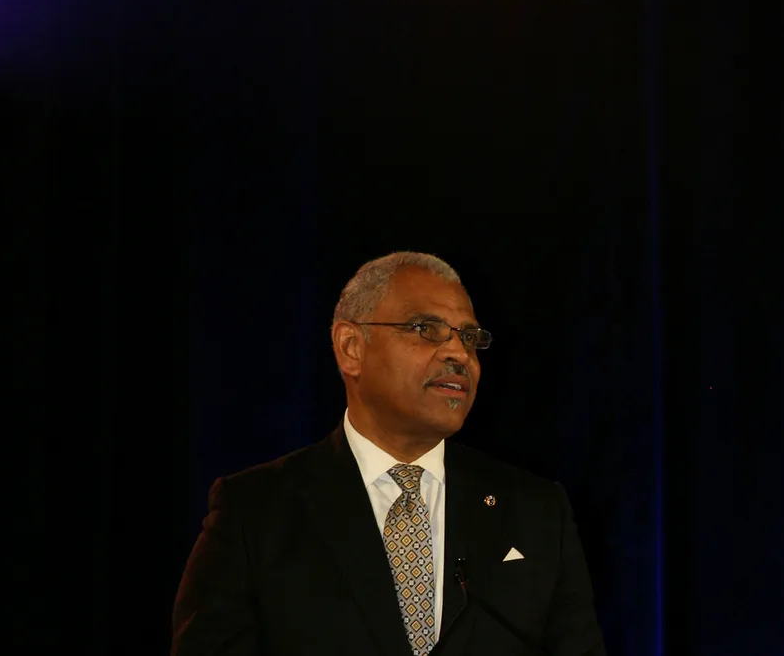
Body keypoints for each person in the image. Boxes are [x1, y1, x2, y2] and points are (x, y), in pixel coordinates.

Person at [171, 251, 606, 656]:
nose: (458, 353)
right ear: (351, 348)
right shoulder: (254, 512)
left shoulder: (536, 512)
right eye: (426, 329)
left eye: (470, 338)